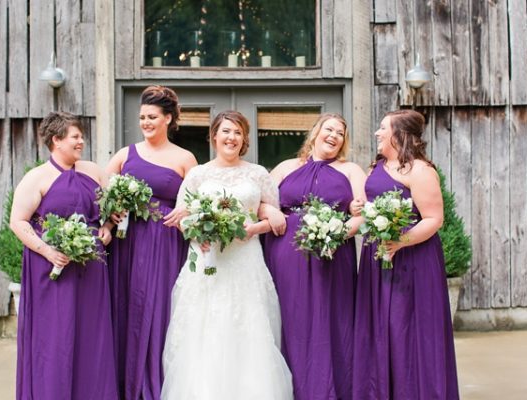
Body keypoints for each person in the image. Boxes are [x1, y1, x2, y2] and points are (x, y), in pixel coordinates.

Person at [161, 110, 293, 400]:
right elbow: (182, 217)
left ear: (244, 139)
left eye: (237, 132)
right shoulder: (198, 174)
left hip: (245, 260)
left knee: (247, 326)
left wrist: (253, 229)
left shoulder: (258, 174)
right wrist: (197, 234)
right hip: (208, 260)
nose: (231, 137)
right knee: (204, 326)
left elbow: (274, 218)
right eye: (226, 131)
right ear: (214, 136)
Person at [350, 109, 459, 399]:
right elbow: (368, 208)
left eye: (383, 128)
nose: (377, 133)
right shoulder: (377, 167)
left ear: (400, 135)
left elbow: (434, 219)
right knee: (379, 326)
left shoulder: (421, 171)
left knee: (405, 327)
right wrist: (357, 209)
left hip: (412, 260)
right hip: (378, 258)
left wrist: (400, 241)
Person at [10, 111, 117, 399]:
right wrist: (48, 251)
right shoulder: (37, 178)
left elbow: (114, 211)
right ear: (56, 140)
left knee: (91, 333)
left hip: (92, 267)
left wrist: (107, 227)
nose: (81, 141)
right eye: (75, 137)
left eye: (81, 136)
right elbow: (18, 222)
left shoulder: (93, 171)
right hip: (52, 268)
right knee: (56, 335)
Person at [261, 113, 365, 400]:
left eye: (340, 133)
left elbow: (362, 215)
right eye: (329, 129)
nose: (334, 136)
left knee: (330, 319)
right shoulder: (286, 167)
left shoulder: (351, 170)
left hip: (332, 256)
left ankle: (329, 389)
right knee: (290, 318)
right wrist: (268, 211)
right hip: (286, 253)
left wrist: (336, 234)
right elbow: (259, 201)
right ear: (315, 133)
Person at [105, 86, 197, 400]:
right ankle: (123, 382)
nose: (145, 122)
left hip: (165, 243)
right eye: (142, 116)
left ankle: (156, 382)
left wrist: (187, 211)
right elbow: (100, 193)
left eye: (152, 117)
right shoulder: (124, 154)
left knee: (160, 308)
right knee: (126, 303)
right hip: (127, 242)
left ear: (168, 119)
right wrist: (110, 213)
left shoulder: (185, 158)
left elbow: (197, 202)